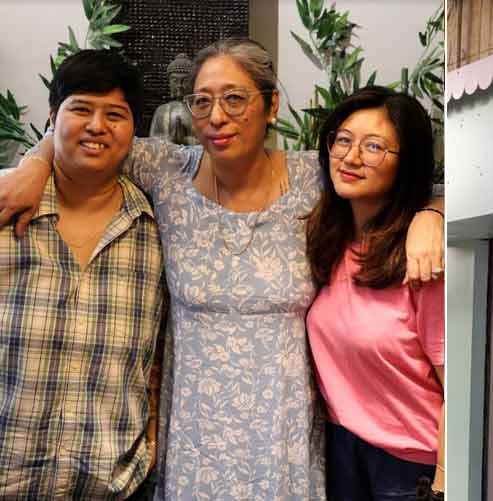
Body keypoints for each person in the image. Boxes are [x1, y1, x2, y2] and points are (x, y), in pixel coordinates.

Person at [0, 38, 444, 500]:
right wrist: (32, 164)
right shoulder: (166, 170)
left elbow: (411, 181)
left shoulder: (317, 177)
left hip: (284, 436)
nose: (216, 117)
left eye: (235, 99)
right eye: (202, 101)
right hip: (195, 437)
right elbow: (86, 134)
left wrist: (431, 215)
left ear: (271, 106)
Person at [0, 50, 166, 499]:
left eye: (115, 114)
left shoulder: (155, 228)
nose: (97, 126)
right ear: (53, 116)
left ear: (134, 129)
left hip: (111, 487)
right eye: (81, 109)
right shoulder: (5, 204)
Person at [305, 86, 445, 500]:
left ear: (407, 163)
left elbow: (460, 387)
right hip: (341, 448)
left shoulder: (423, 258)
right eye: (343, 140)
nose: (350, 157)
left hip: (409, 464)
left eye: (374, 147)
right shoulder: (327, 239)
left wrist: (443, 481)